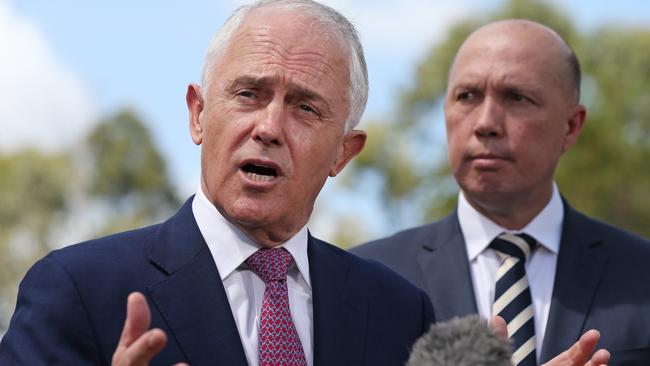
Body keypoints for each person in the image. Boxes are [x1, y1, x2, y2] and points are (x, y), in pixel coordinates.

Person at [0, 4, 610, 365]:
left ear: (346, 151)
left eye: (305, 109)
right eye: (248, 94)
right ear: (197, 114)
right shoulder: (76, 289)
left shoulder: (397, 311)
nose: (268, 127)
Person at [352, 19, 650, 365]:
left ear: (571, 126)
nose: (485, 123)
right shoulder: (362, 280)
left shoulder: (642, 276)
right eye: (467, 96)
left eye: (516, 97)